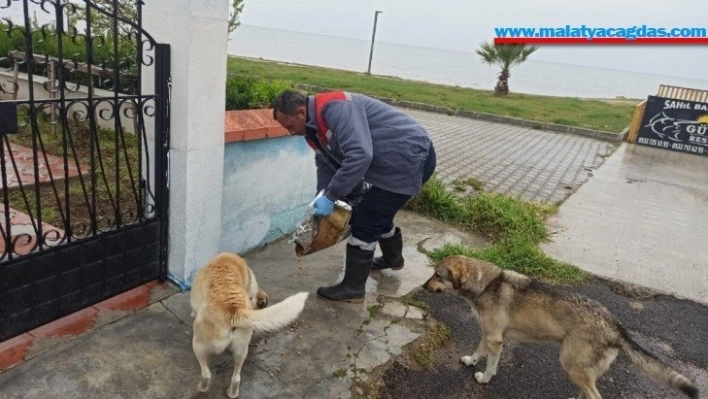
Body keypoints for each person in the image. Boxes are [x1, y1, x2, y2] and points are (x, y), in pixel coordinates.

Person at [273, 89, 436, 303]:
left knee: (367, 219)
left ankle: (353, 288)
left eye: (289, 126)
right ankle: (392, 258)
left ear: (301, 112)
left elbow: (360, 154)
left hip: (409, 158)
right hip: (391, 162)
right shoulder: (312, 131)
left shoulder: (336, 108)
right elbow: (325, 164)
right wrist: (322, 196)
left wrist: (332, 196)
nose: (290, 132)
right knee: (377, 211)